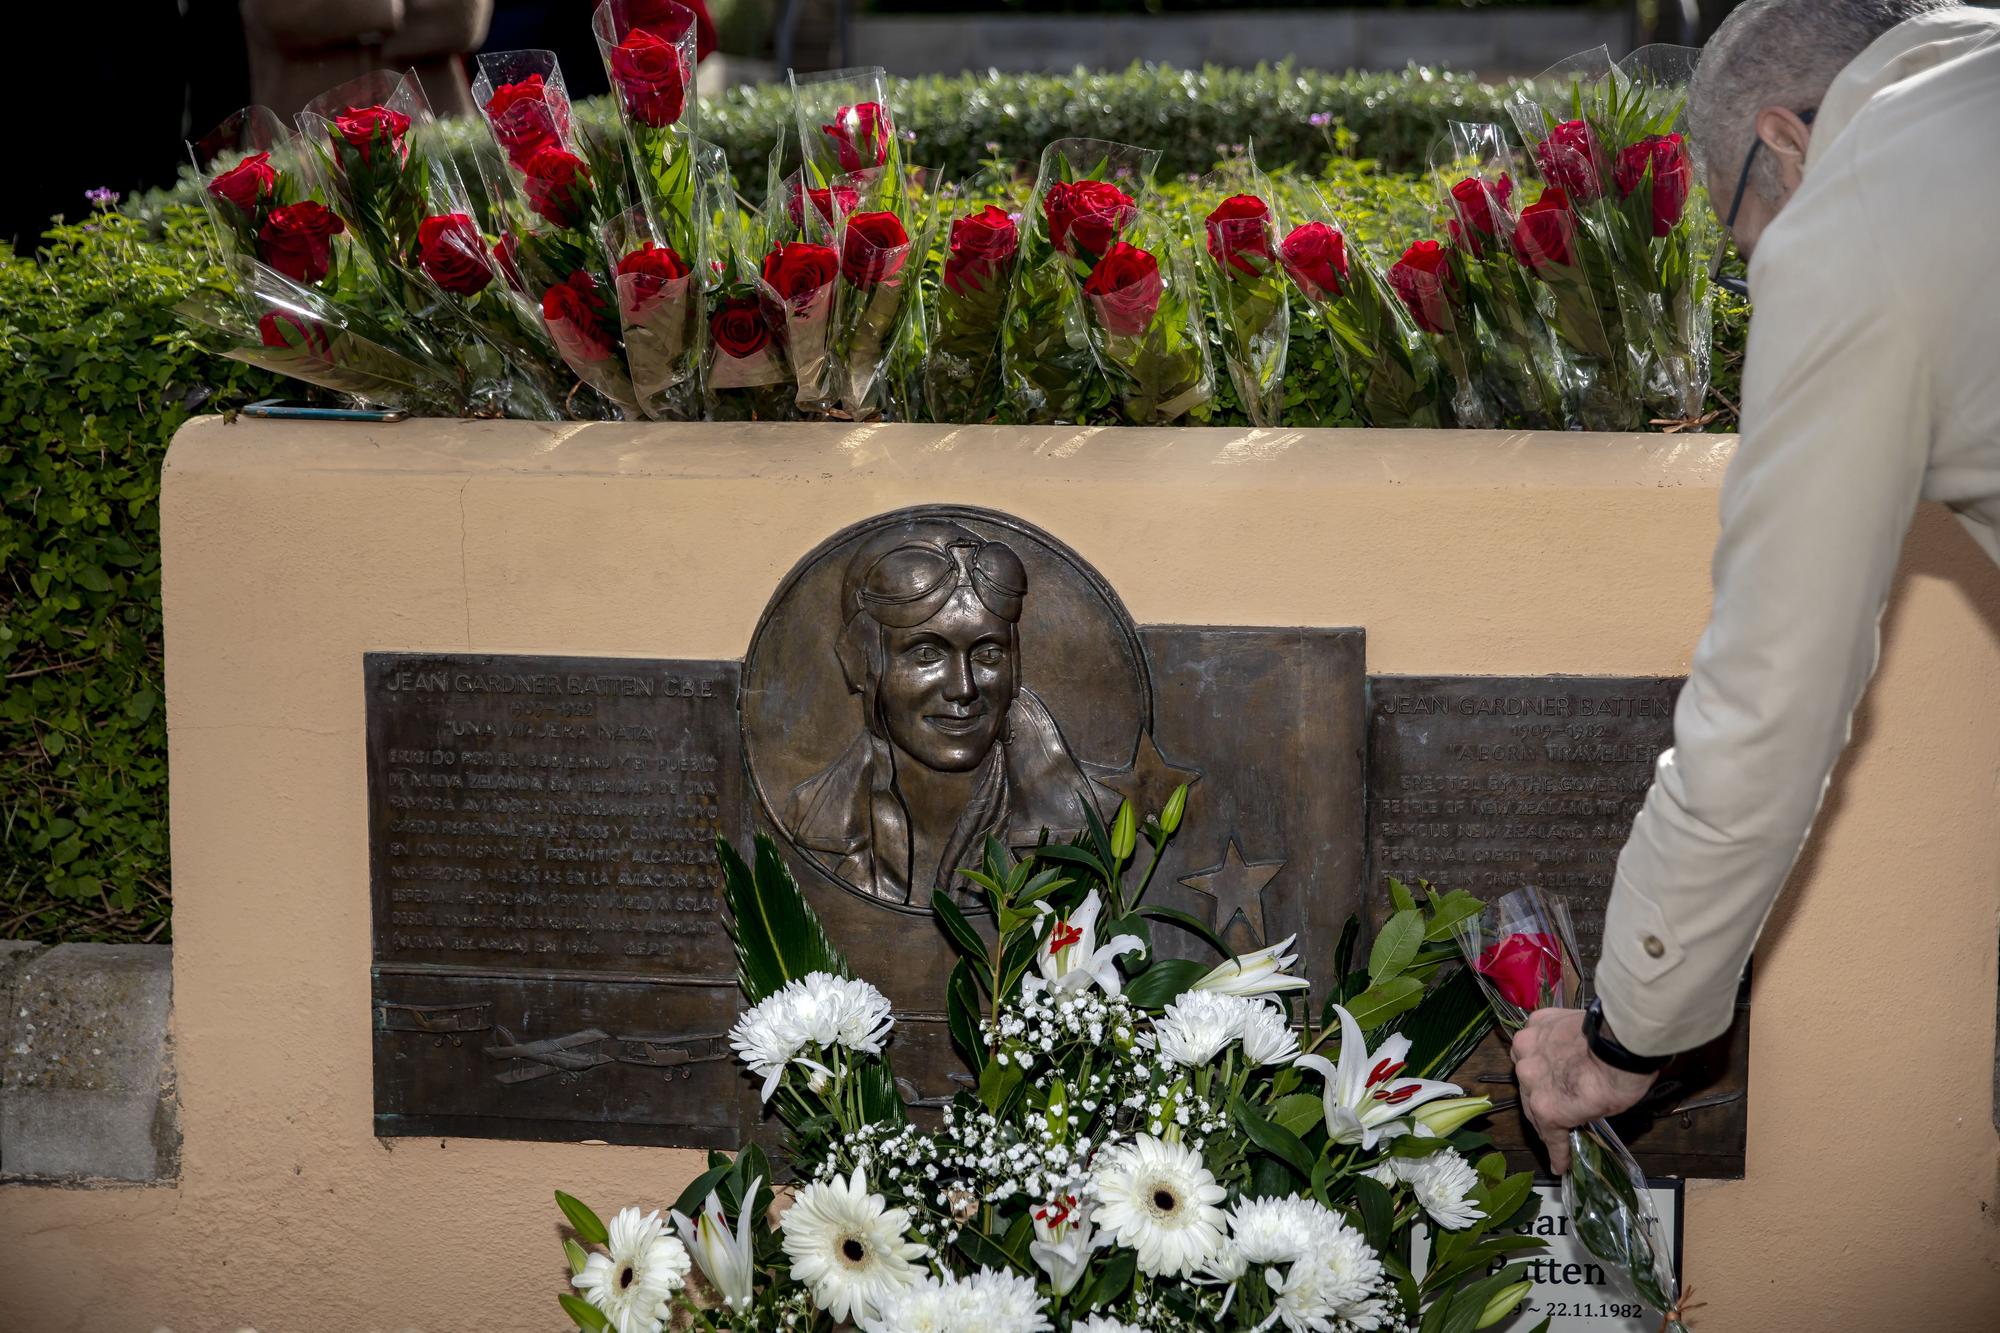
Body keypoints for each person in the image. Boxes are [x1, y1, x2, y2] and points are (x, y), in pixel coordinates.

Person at [1511, 0, 2000, 1172]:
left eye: (1738, 234)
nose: (1752, 262)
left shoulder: (1852, 214)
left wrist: (1634, 1021)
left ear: (1780, 138)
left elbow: (1771, 691)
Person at [784, 520, 1104, 907]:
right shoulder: (807, 823)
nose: (963, 688)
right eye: (927, 654)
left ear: (1015, 669)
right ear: (862, 664)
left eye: (988, 654)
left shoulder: (1088, 826)